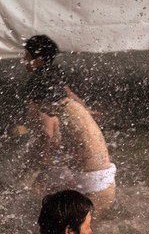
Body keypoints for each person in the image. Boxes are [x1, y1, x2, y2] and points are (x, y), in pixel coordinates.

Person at [27, 74, 116, 212]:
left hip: (93, 185)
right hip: (104, 181)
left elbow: (48, 136)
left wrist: (42, 172)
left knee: (62, 230)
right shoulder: (73, 107)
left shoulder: (58, 113)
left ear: (40, 99)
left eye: (34, 103)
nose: (37, 109)